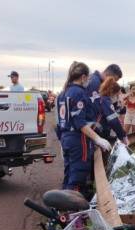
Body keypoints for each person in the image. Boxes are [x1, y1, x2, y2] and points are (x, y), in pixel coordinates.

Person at [56, 62, 112, 197]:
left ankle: (62, 206)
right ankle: (72, 210)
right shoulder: (79, 93)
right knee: (78, 174)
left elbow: (61, 120)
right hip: (77, 139)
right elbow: (80, 123)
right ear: (83, 77)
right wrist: (98, 138)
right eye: (87, 78)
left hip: (65, 137)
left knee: (69, 173)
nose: (88, 81)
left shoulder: (64, 92)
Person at [93, 76, 128, 144]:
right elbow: (113, 121)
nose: (117, 97)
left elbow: (112, 113)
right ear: (112, 92)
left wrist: (120, 107)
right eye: (116, 95)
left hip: (100, 130)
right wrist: (122, 136)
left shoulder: (102, 99)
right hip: (100, 132)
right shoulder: (105, 101)